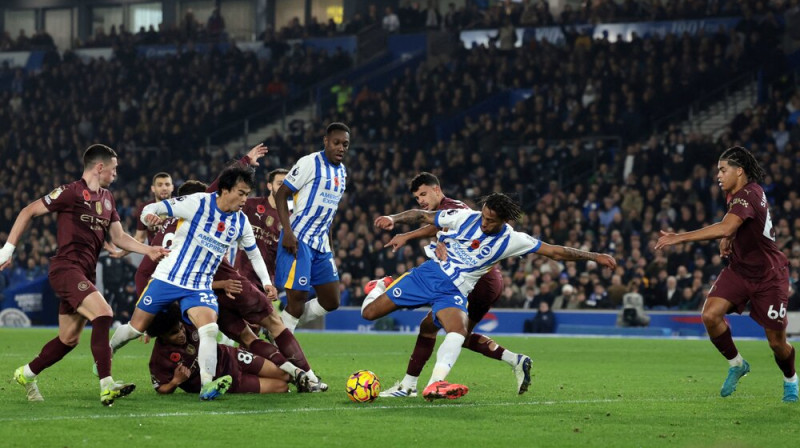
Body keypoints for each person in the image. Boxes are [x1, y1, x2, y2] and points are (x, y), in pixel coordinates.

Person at [366, 193, 616, 400]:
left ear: (505, 220)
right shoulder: (466, 217)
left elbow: (556, 252)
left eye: (490, 221)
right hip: (428, 275)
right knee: (370, 313)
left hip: (454, 290)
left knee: (456, 331)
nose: (484, 223)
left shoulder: (513, 240)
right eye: (484, 216)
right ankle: (380, 287)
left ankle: (436, 383)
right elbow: (423, 216)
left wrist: (594, 256)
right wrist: (393, 218)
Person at [0, 144, 168, 405]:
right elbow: (28, 211)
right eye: (113, 169)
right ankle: (107, 384)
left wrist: (148, 249)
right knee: (104, 313)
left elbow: (119, 237)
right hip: (66, 268)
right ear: (99, 167)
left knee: (68, 339)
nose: (115, 174)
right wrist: (7, 251)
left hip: (85, 273)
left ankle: (27, 373)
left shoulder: (108, 198)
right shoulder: (71, 192)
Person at [110, 164, 277, 401]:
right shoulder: (198, 202)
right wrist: (149, 216)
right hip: (168, 277)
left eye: (247, 194)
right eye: (241, 193)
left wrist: (266, 282)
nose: (244, 199)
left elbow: (254, 254)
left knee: (208, 329)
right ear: (225, 190)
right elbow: (153, 208)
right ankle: (109, 350)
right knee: (135, 329)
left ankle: (207, 386)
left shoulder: (240, 222)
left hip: (199, 285)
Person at [655, 146, 797, 402]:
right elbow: (737, 224)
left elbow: (728, 224)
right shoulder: (737, 193)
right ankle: (737, 364)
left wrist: (679, 238)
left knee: (777, 343)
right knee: (710, 315)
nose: (718, 175)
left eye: (723, 170)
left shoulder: (747, 195)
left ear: (739, 171)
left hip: (770, 275)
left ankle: (791, 380)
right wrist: (730, 238)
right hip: (740, 270)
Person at [378, 172, 533, 397]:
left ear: (437, 190)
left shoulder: (453, 207)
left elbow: (433, 224)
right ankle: (515, 360)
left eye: (423, 194)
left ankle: (412, 385)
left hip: (478, 281)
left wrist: (407, 235)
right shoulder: (450, 209)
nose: (421, 200)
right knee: (449, 332)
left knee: (449, 331)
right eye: (417, 197)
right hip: (485, 282)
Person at [210, 145, 327, 391]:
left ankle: (276, 373)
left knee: (251, 334)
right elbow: (223, 190)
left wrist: (272, 283)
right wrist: (245, 163)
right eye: (279, 182)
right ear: (270, 185)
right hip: (240, 277)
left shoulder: (293, 218)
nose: (283, 186)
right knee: (263, 329)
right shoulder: (250, 206)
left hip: (265, 281)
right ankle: (300, 375)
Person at [275, 123, 349, 332]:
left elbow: (330, 214)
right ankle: (283, 347)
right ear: (326, 141)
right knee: (297, 300)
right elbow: (282, 194)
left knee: (331, 300)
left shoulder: (342, 173)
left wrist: (331, 248)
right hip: (299, 239)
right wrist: (287, 232)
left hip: (321, 244)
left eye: (345, 144)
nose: (341, 148)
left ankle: (278, 328)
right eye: (336, 143)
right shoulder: (309, 162)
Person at [147, 304, 292, 395]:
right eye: (174, 333)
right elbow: (161, 388)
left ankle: (308, 380)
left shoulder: (190, 320)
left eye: (180, 328)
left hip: (231, 356)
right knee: (282, 387)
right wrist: (175, 382)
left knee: (285, 375)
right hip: (227, 381)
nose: (181, 334)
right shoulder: (159, 358)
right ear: (161, 336)